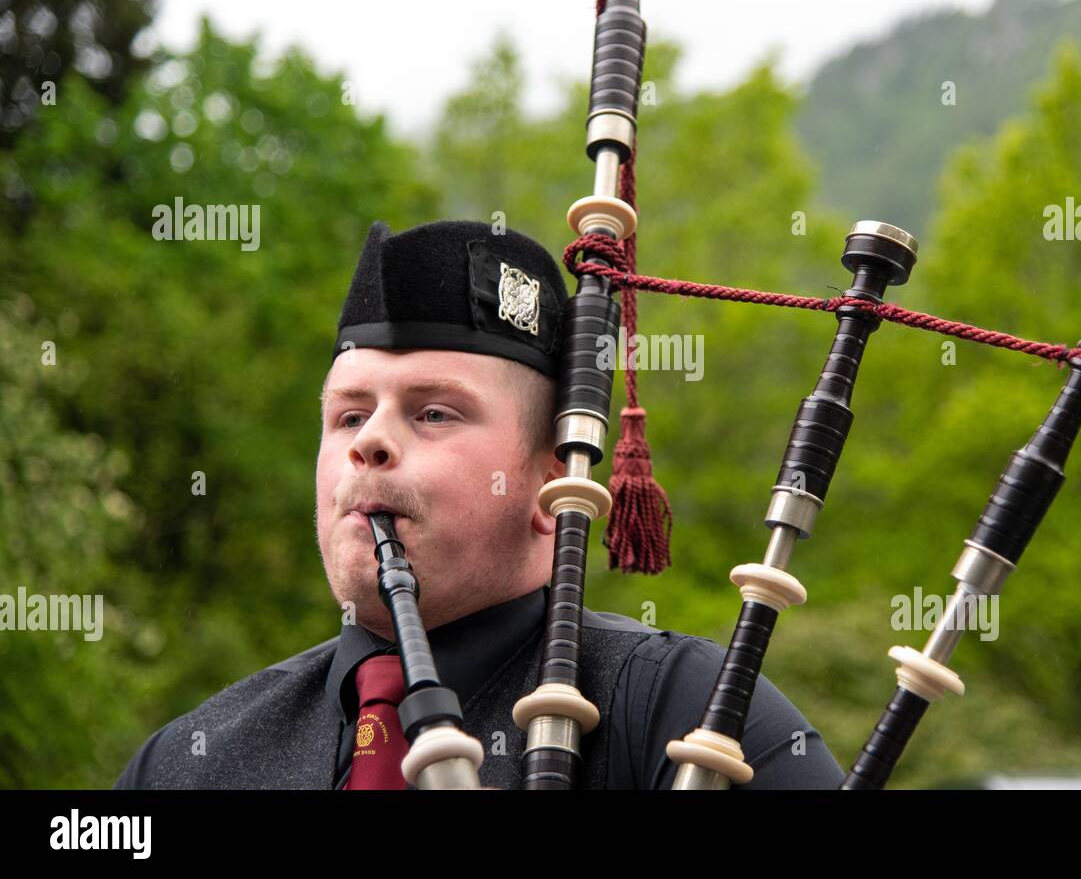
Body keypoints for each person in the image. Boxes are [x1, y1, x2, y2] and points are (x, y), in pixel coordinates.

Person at [114, 219, 846, 789]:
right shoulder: (189, 758)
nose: (370, 441)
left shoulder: (684, 711)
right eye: (347, 415)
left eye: (433, 413)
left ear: (555, 485)